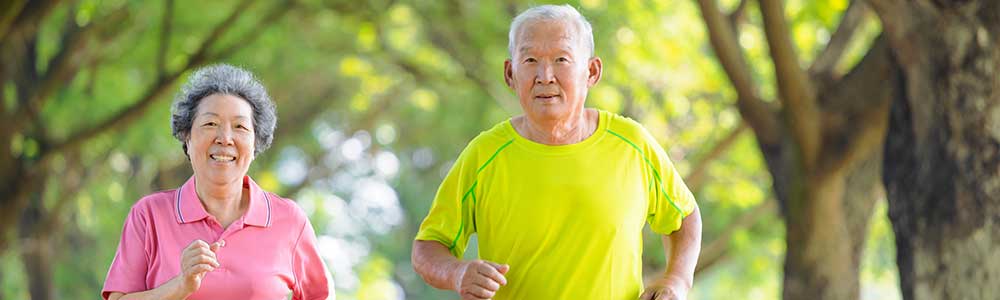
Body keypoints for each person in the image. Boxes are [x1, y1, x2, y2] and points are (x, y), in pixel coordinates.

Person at [411, 5, 702, 300]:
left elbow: (685, 216)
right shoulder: (484, 154)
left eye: (561, 59)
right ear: (510, 74)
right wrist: (457, 273)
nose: (545, 76)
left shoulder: (633, 144)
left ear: (591, 71)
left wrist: (676, 281)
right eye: (530, 60)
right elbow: (428, 246)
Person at [102, 64, 332, 300]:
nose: (225, 138)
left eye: (240, 127)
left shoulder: (290, 220)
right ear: (187, 137)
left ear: (255, 145)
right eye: (210, 124)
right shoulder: (149, 215)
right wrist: (180, 286)